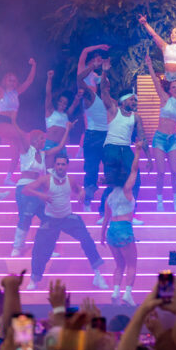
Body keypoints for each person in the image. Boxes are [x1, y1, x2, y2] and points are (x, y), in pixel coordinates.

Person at [21, 155, 108, 291]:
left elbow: (79, 189)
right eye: (58, 164)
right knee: (39, 249)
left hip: (67, 218)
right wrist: (41, 195)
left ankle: (97, 275)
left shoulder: (70, 180)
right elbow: (25, 189)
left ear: (67, 166)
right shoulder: (46, 179)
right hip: (50, 219)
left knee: (87, 240)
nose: (60, 167)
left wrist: (82, 192)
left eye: (63, 164)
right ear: (55, 166)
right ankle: (34, 279)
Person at [11, 124, 73, 257]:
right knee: (26, 217)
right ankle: (17, 247)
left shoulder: (43, 154)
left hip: (38, 189)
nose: (44, 141)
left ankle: (47, 249)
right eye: (41, 138)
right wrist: (14, 121)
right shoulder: (27, 150)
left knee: (47, 218)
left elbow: (60, 147)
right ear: (34, 141)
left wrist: (67, 129)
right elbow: (21, 136)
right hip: (25, 188)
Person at [98, 80, 149, 220]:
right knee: (112, 181)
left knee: (135, 181)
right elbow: (103, 92)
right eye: (131, 99)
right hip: (111, 147)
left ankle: (130, 214)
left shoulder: (136, 117)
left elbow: (142, 137)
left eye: (135, 100)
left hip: (126, 149)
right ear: (123, 101)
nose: (134, 102)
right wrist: (104, 73)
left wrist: (149, 158)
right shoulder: (113, 110)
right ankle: (104, 213)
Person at [102, 142, 144, 305]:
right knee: (132, 264)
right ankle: (127, 294)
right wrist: (138, 152)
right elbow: (134, 170)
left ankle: (115, 292)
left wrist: (102, 237)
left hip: (111, 232)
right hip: (124, 229)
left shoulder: (110, 196)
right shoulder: (127, 189)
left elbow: (106, 219)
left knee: (119, 265)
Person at [145, 54, 176, 211]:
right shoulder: (164, 99)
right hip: (160, 139)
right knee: (161, 172)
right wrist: (150, 66)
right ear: (169, 89)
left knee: (175, 172)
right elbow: (156, 83)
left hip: (172, 139)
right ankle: (160, 201)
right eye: (173, 87)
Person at [0, 59, 36, 184]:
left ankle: (8, 177)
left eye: (14, 80)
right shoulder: (0, 92)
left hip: (12, 124)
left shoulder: (16, 92)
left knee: (16, 151)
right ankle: (29, 167)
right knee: (25, 136)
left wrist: (34, 66)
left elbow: (29, 81)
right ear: (5, 81)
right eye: (10, 80)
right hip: (2, 124)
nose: (12, 82)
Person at [77, 44, 111, 208]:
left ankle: (107, 204)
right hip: (92, 129)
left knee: (109, 169)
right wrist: (94, 62)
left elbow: (104, 85)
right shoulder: (84, 70)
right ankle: (87, 202)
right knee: (91, 170)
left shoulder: (100, 87)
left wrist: (104, 71)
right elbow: (79, 78)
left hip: (104, 134)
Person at [139, 15, 176, 92]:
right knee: (167, 98)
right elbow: (154, 35)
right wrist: (145, 24)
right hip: (167, 79)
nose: (173, 34)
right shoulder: (165, 47)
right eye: (172, 33)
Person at [44, 70, 80, 160]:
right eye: (60, 101)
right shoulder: (50, 111)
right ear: (57, 101)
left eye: (65, 103)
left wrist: (78, 97)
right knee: (49, 166)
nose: (62, 104)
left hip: (61, 145)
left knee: (61, 167)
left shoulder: (66, 115)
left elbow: (75, 104)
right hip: (50, 143)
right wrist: (49, 79)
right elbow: (48, 94)